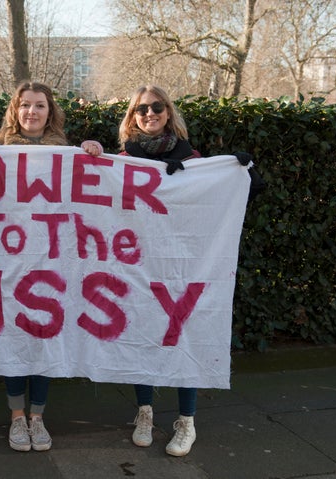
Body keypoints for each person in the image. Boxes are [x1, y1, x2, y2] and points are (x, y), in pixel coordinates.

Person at [0, 81, 103, 452]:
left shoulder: (69, 153)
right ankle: (16, 419)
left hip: (53, 262)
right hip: (10, 263)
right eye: (24, 105)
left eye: (39, 105)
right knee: (13, 339)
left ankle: (38, 417)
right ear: (15, 111)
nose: (32, 112)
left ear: (50, 111)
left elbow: (96, 193)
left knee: (45, 337)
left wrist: (95, 152)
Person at [118, 84, 201, 457]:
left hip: (179, 263)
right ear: (132, 117)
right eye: (141, 109)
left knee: (182, 336)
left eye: (157, 107)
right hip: (136, 263)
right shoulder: (121, 160)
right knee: (141, 335)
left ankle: (187, 420)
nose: (149, 114)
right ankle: (145, 412)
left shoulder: (193, 157)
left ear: (168, 112)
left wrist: (236, 169)